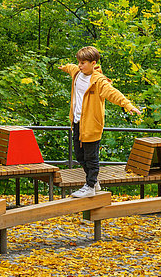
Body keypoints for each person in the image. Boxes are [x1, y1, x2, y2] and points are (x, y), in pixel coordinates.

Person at [59, 46, 142, 198]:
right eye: (79, 62)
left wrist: (127, 105)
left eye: (83, 62)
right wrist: (64, 67)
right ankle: (94, 182)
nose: (79, 65)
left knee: (91, 157)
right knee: (79, 155)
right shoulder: (77, 73)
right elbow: (70, 68)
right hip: (77, 122)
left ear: (93, 63)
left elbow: (113, 93)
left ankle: (90, 185)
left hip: (91, 124)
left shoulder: (99, 82)